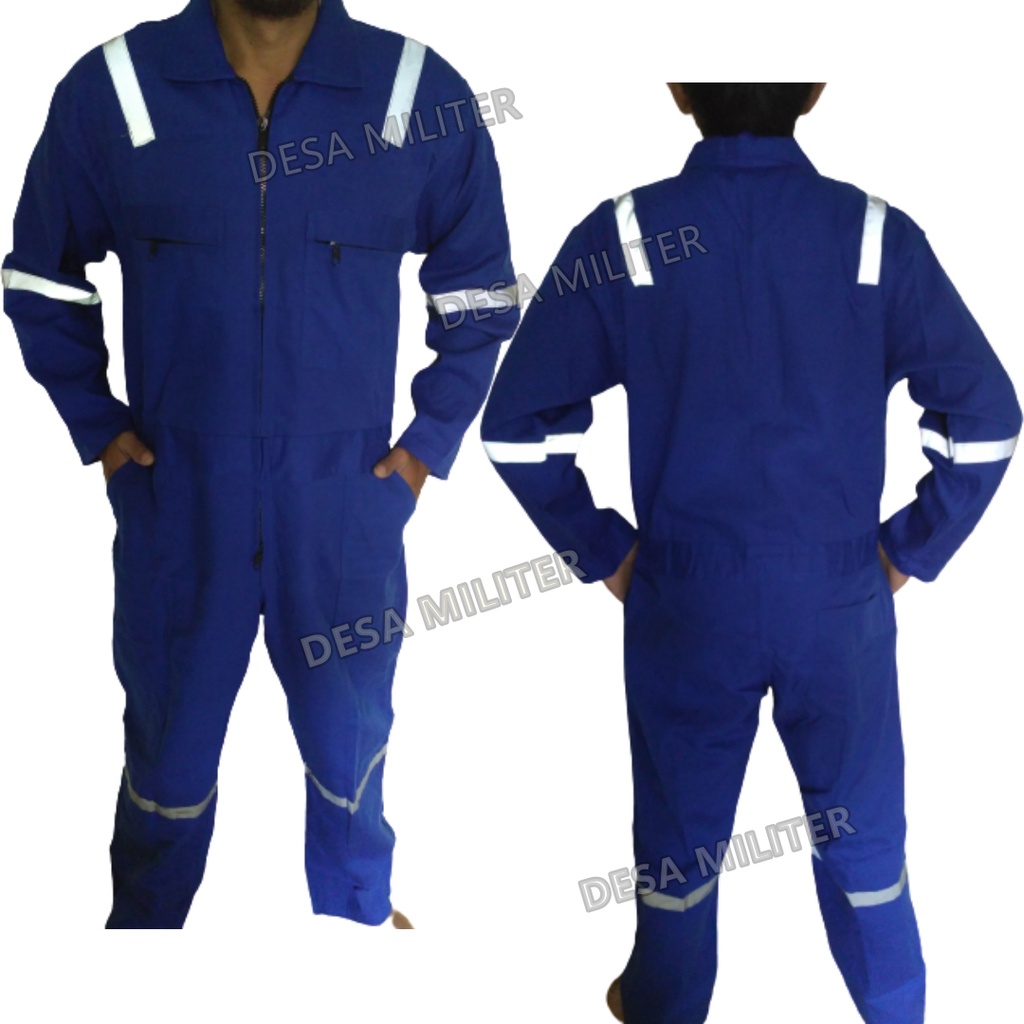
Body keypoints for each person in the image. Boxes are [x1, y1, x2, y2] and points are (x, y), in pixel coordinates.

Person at [480, 83, 1020, 1023]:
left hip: (686, 600)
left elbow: (516, 429)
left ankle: (663, 997)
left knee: (678, 841)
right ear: (814, 87)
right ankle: (895, 1007)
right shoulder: (874, 236)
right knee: (865, 836)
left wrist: (608, 553)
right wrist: (903, 551)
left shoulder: (629, 234)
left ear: (679, 89)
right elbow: (987, 423)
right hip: (837, 600)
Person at [2, 0, 518, 929]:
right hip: (177, 503)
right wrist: (100, 429)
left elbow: (481, 293)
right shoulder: (118, 90)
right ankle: (144, 934)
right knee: (167, 755)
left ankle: (357, 922)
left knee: (350, 746)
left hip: (345, 509)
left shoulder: (413, 95)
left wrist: (423, 450)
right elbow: (40, 277)